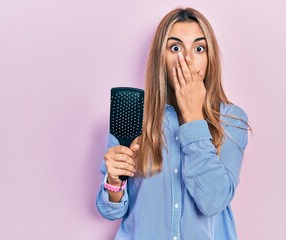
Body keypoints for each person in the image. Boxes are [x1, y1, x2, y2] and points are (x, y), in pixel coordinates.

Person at [96, 7, 250, 240]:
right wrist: (114, 181)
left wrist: (193, 117)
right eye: (175, 48)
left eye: (199, 48)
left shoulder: (231, 120)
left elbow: (213, 201)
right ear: (161, 56)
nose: (186, 59)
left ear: (210, 58)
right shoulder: (134, 114)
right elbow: (111, 210)